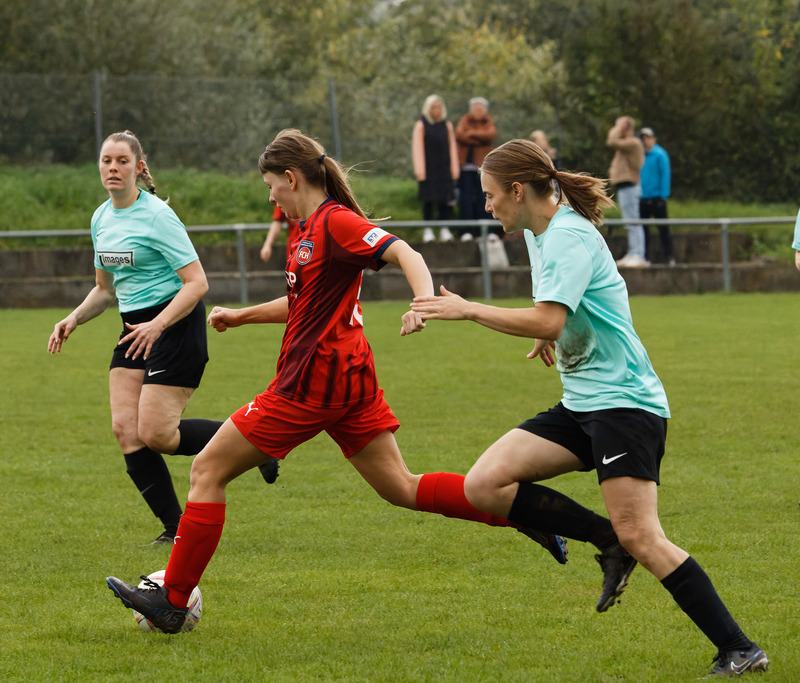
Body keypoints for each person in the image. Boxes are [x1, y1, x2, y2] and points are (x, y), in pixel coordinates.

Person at [106, 129, 567, 633]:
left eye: (270, 185)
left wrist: (421, 303)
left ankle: (172, 600)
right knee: (401, 487)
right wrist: (242, 316)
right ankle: (527, 515)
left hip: (311, 384)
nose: (270, 197)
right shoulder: (304, 230)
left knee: (206, 471)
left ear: (290, 177)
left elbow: (405, 253)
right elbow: (304, 303)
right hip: (350, 383)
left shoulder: (336, 223)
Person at [410, 139, 768, 677]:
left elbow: (549, 318)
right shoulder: (537, 232)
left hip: (624, 404)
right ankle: (605, 541)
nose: (486, 208)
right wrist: (553, 334)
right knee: (485, 484)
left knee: (643, 535)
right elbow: (558, 316)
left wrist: (469, 310)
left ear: (517, 190)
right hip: (583, 403)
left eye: (489, 197)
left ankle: (740, 648)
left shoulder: (569, 236)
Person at [48, 130, 277, 547]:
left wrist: (158, 325)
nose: (112, 168)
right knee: (125, 430)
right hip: (135, 328)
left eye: (121, 161)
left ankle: (255, 443)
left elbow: (197, 283)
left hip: (175, 325)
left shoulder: (157, 216)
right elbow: (105, 289)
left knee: (157, 434)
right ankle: (175, 530)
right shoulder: (101, 218)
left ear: (138, 167)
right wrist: (74, 318)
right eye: (105, 161)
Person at [411, 94, 458, 243]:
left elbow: (452, 148)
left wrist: (454, 169)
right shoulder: (421, 125)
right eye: (434, 107)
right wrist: (420, 171)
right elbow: (417, 148)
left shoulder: (447, 125)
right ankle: (428, 230)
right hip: (428, 171)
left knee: (445, 200)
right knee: (428, 201)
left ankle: (445, 229)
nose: (437, 110)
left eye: (439, 107)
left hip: (444, 169)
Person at [606, 116, 647, 268]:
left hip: (630, 186)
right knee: (629, 222)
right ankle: (633, 253)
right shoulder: (627, 144)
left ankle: (638, 254)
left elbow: (611, 141)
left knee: (633, 221)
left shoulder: (632, 142)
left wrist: (619, 126)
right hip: (625, 187)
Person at [454, 96, 497, 238]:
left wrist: (471, 133)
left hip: (482, 167)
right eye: (475, 109)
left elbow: (490, 135)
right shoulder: (465, 120)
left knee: (483, 198)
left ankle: (487, 231)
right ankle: (466, 231)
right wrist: (479, 139)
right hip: (466, 167)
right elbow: (460, 135)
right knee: (465, 199)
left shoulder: (488, 122)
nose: (478, 112)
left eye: (480, 109)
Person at [639, 127, 674, 265]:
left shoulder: (660, 154)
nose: (645, 140)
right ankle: (645, 257)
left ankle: (669, 256)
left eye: (647, 137)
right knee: (643, 230)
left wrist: (663, 195)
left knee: (663, 228)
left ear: (654, 139)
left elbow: (665, 175)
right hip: (642, 197)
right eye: (643, 138)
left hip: (657, 197)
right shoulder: (639, 154)